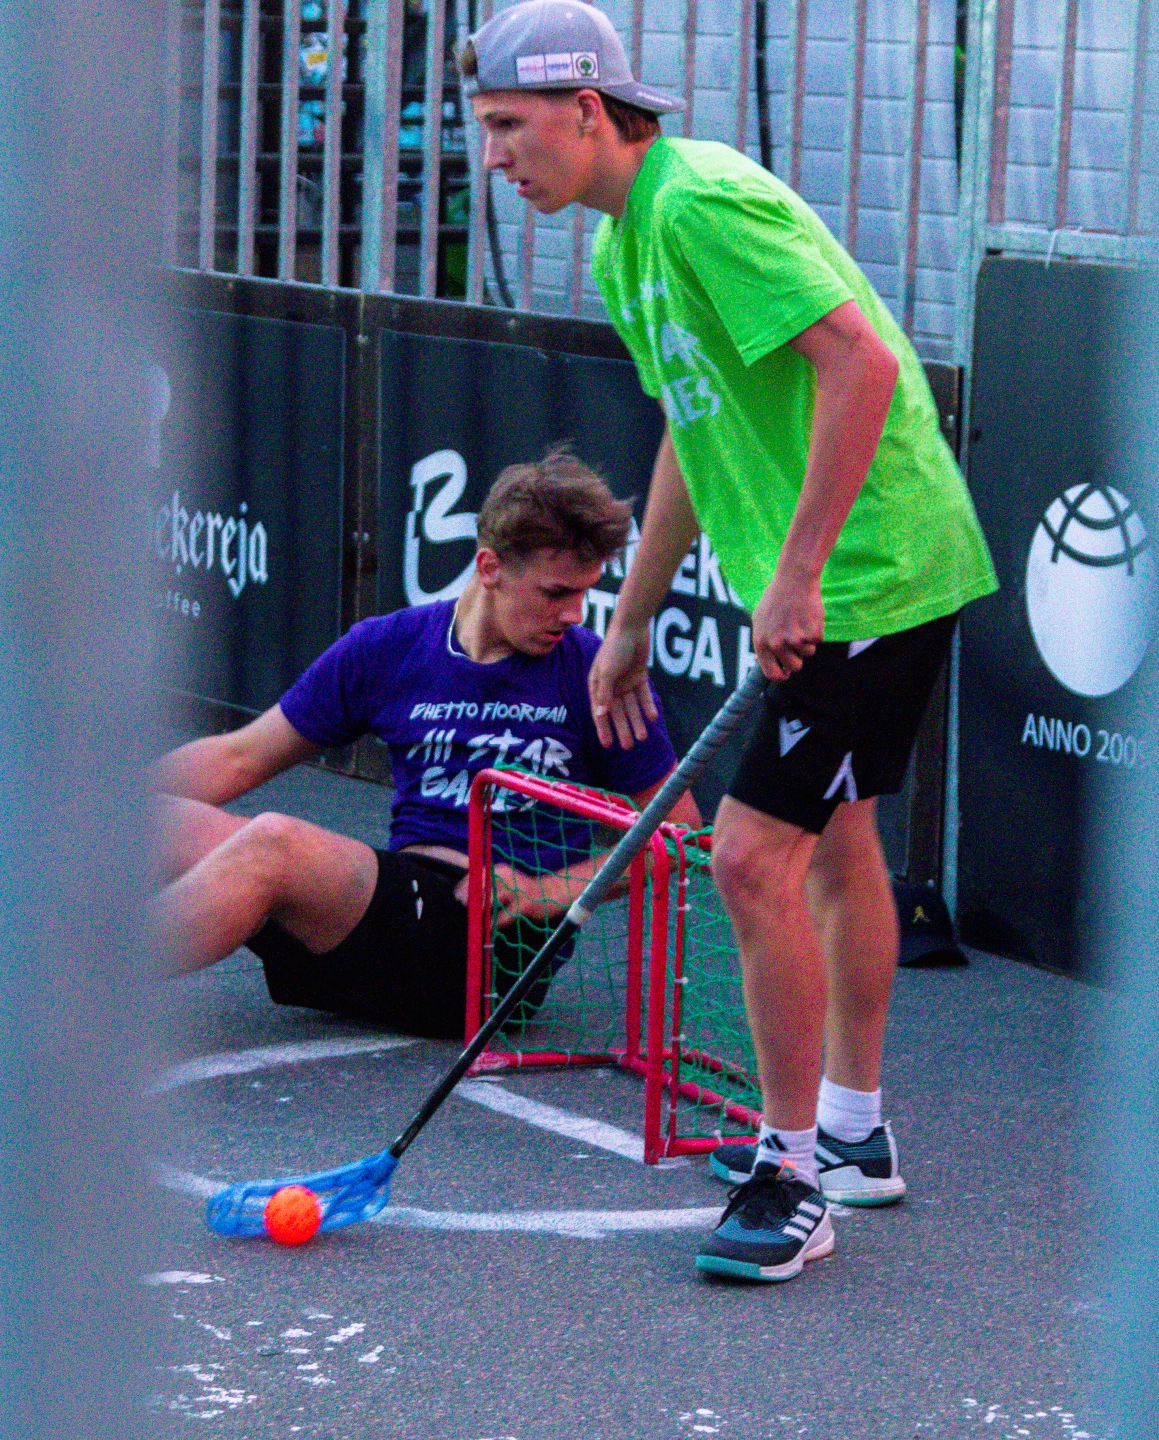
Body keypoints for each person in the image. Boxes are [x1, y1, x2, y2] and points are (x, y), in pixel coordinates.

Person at [465, 0, 998, 1283]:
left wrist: (800, 572)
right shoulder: (623, 245)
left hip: (874, 574)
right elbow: (696, 436)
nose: (494, 156)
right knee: (837, 843)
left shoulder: (700, 204)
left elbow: (864, 366)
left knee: (752, 859)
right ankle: (851, 1136)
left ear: (587, 109)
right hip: (839, 576)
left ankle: (791, 1174)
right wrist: (629, 618)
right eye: (485, 129)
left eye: (510, 125)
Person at [0, 451, 692, 1052]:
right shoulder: (391, 647)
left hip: (491, 956)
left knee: (273, 845)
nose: (576, 614)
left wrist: (550, 893)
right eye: (557, 592)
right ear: (490, 568)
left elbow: (682, 834)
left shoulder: (598, 671)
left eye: (588, 593)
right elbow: (239, 757)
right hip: (393, 914)